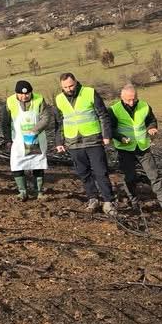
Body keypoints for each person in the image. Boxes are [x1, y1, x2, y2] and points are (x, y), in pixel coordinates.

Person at [110, 84, 162, 217]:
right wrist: (120, 137)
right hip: (125, 149)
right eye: (128, 100)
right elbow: (110, 129)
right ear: (122, 97)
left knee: (155, 176)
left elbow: (151, 120)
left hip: (143, 147)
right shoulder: (114, 109)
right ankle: (134, 203)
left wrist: (152, 128)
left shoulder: (144, 106)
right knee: (130, 177)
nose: (132, 102)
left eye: (134, 99)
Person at [53, 72, 117, 216]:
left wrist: (106, 135)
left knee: (101, 172)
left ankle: (108, 202)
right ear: (61, 86)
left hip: (93, 140)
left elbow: (103, 115)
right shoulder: (59, 99)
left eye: (71, 86)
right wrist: (59, 142)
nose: (69, 89)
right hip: (73, 142)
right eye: (65, 87)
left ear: (76, 82)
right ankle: (93, 199)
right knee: (84, 173)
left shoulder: (89, 92)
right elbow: (59, 122)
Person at [1, 80, 50, 201]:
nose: (24, 96)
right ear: (16, 93)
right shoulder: (10, 101)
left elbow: (45, 118)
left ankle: (39, 191)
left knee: (38, 163)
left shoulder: (39, 99)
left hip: (37, 138)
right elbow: (5, 123)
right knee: (17, 164)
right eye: (21, 94)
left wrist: (35, 130)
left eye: (27, 94)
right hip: (18, 140)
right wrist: (7, 139)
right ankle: (22, 192)